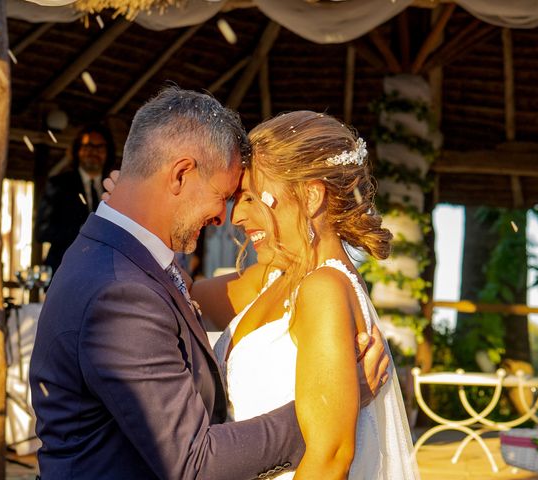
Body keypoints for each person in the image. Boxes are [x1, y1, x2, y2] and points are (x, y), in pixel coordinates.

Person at [30, 88, 388, 479]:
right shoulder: (120, 289)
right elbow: (194, 462)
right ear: (181, 174)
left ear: (310, 196)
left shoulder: (120, 265)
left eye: (248, 198)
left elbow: (187, 296)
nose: (226, 217)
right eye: (226, 196)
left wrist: (133, 213)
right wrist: (332, 405)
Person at [189, 111, 419, 479]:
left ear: (311, 196)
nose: (237, 216)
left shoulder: (323, 290)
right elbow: (178, 295)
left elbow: (330, 458)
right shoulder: (271, 278)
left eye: (250, 197)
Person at [34, 123, 117, 275]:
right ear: (78, 150)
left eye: (100, 147)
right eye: (88, 146)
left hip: (105, 272)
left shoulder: (115, 186)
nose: (93, 152)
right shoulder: (59, 184)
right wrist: (81, 229)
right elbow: (42, 231)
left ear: (108, 152)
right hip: (65, 270)